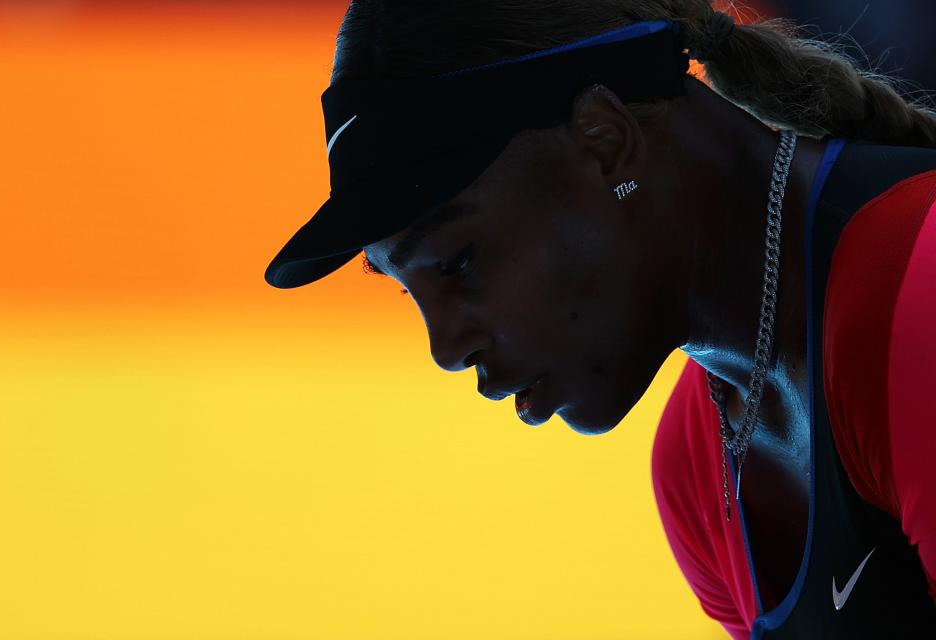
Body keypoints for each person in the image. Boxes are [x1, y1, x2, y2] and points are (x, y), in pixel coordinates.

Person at [263, 1, 936, 637]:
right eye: (408, 291)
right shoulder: (696, 468)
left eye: (459, 262)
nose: (446, 348)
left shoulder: (914, 300)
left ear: (606, 142)